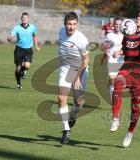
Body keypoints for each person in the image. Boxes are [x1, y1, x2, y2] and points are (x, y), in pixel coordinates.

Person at [110, 9, 140, 147]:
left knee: (135, 107)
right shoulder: (128, 31)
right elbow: (126, 49)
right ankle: (115, 118)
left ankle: (130, 132)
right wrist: (119, 51)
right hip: (127, 69)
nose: (138, 18)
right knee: (117, 83)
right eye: (138, 15)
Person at [58, 12, 90, 144]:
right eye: (69, 24)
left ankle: (74, 114)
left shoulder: (82, 39)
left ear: (77, 24)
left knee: (78, 102)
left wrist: (77, 77)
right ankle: (66, 130)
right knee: (61, 99)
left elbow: (86, 60)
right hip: (65, 69)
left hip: (80, 70)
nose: (71, 27)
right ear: (64, 24)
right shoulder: (60, 31)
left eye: (74, 24)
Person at [7, 12, 40, 90]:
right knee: (17, 69)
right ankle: (18, 84)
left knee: (27, 66)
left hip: (28, 50)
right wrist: (10, 38)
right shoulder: (17, 27)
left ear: (28, 19)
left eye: (26, 18)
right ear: (21, 19)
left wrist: (36, 46)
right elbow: (12, 35)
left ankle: (23, 71)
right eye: (23, 18)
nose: (24, 19)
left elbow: (35, 36)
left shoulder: (33, 27)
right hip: (19, 49)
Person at [101, 17, 124, 101]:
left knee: (119, 81)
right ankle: (113, 100)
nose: (118, 26)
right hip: (111, 59)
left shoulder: (125, 35)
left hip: (122, 60)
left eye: (119, 24)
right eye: (116, 24)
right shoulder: (109, 35)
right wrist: (105, 51)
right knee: (112, 78)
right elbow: (103, 46)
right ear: (114, 25)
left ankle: (111, 87)